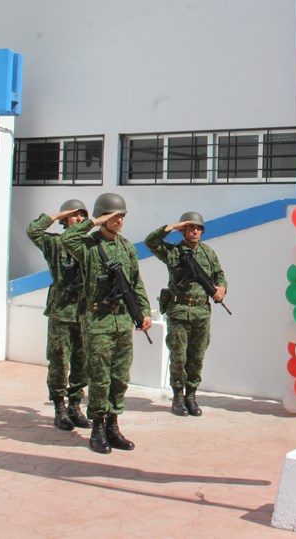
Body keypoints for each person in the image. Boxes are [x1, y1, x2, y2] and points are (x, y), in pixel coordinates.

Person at [62, 193, 152, 454]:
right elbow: (67, 239)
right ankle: (98, 428)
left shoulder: (126, 247)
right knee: (99, 378)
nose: (119, 220)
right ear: (103, 216)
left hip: (123, 320)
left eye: (121, 215)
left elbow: (135, 282)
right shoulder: (88, 246)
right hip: (98, 322)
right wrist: (92, 222)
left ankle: (113, 425)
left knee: (120, 377)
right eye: (113, 215)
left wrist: (144, 311)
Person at [145, 211, 228, 417]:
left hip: (201, 311)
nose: (195, 231)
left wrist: (222, 288)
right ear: (184, 230)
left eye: (199, 228)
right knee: (179, 357)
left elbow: (219, 275)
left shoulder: (208, 253)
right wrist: (171, 226)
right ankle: (178, 398)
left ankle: (191, 396)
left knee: (196, 356)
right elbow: (150, 242)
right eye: (191, 227)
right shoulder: (173, 252)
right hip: (179, 311)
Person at [26, 200, 92, 432]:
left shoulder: (90, 244)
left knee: (81, 362)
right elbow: (32, 230)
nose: (79, 219)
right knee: (58, 362)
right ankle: (59, 408)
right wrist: (56, 215)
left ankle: (75, 406)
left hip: (84, 312)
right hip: (61, 312)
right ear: (65, 220)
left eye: (83, 216)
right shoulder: (54, 243)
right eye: (74, 216)